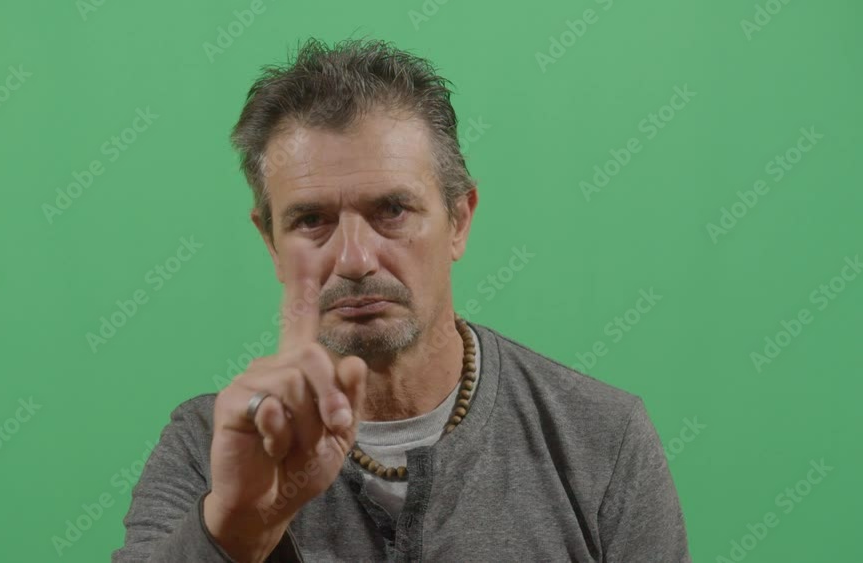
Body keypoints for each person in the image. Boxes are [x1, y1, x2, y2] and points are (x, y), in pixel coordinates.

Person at [112, 37, 691, 562]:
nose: (354, 259)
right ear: (271, 243)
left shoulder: (601, 438)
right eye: (310, 220)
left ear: (459, 220)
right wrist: (236, 530)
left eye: (391, 210)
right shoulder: (210, 445)